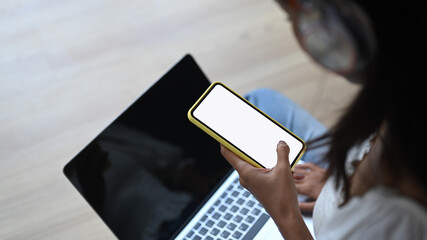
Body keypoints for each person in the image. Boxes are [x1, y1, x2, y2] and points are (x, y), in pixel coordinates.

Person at [220, 0, 427, 239]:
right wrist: (337, 184)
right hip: (338, 183)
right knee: (261, 100)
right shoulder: (409, 92)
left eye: (294, 18)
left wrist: (284, 212)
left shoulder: (387, 219)